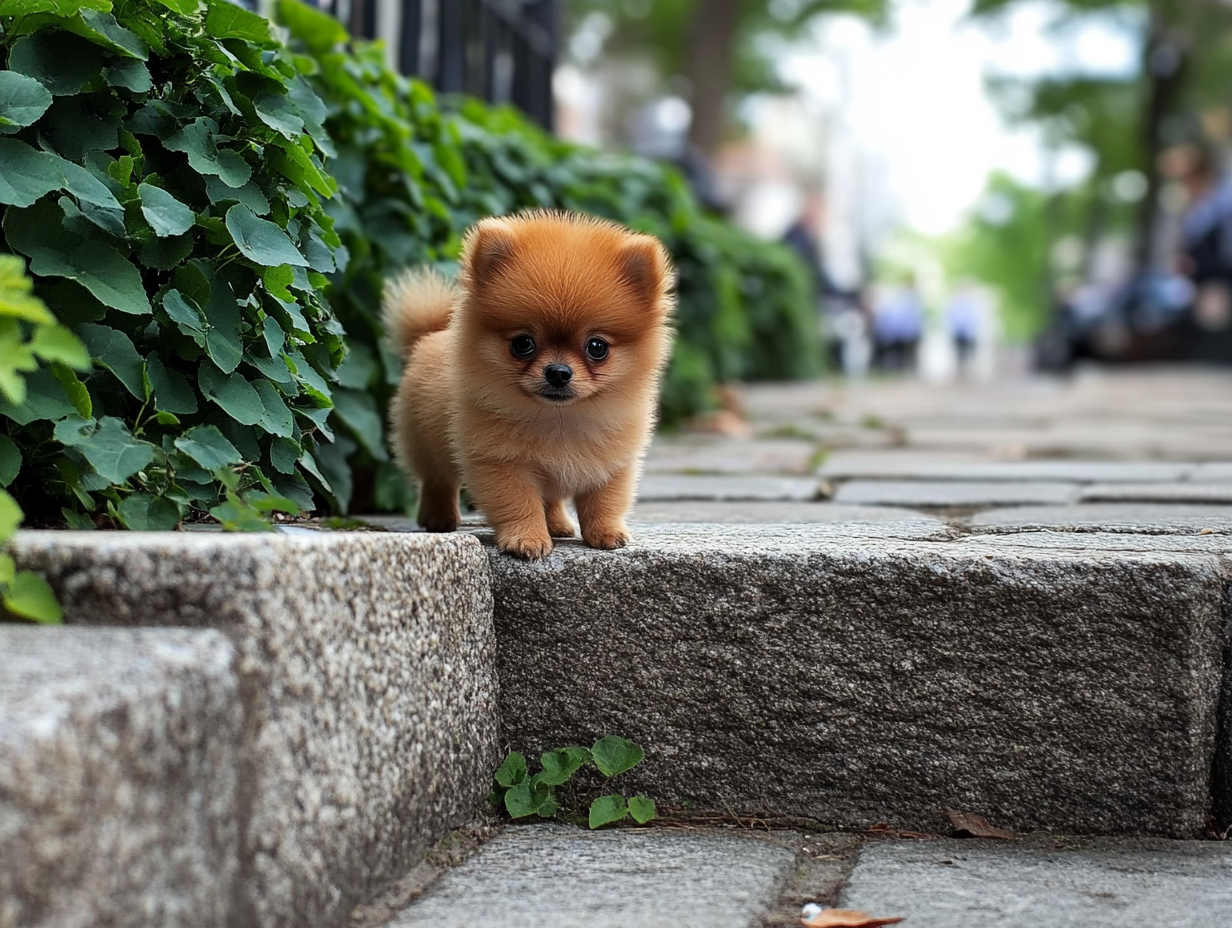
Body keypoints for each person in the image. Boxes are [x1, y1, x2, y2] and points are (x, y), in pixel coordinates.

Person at [872, 275, 924, 373]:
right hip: (904, 332)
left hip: (910, 331)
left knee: (909, 353)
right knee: (903, 353)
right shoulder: (904, 300)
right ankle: (903, 368)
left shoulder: (914, 300)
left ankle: (907, 368)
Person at [945, 281, 981, 377]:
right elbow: (950, 316)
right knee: (960, 352)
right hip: (959, 332)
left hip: (969, 332)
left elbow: (976, 318)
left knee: (969, 352)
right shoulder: (954, 302)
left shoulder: (973, 302)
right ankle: (961, 370)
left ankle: (968, 370)